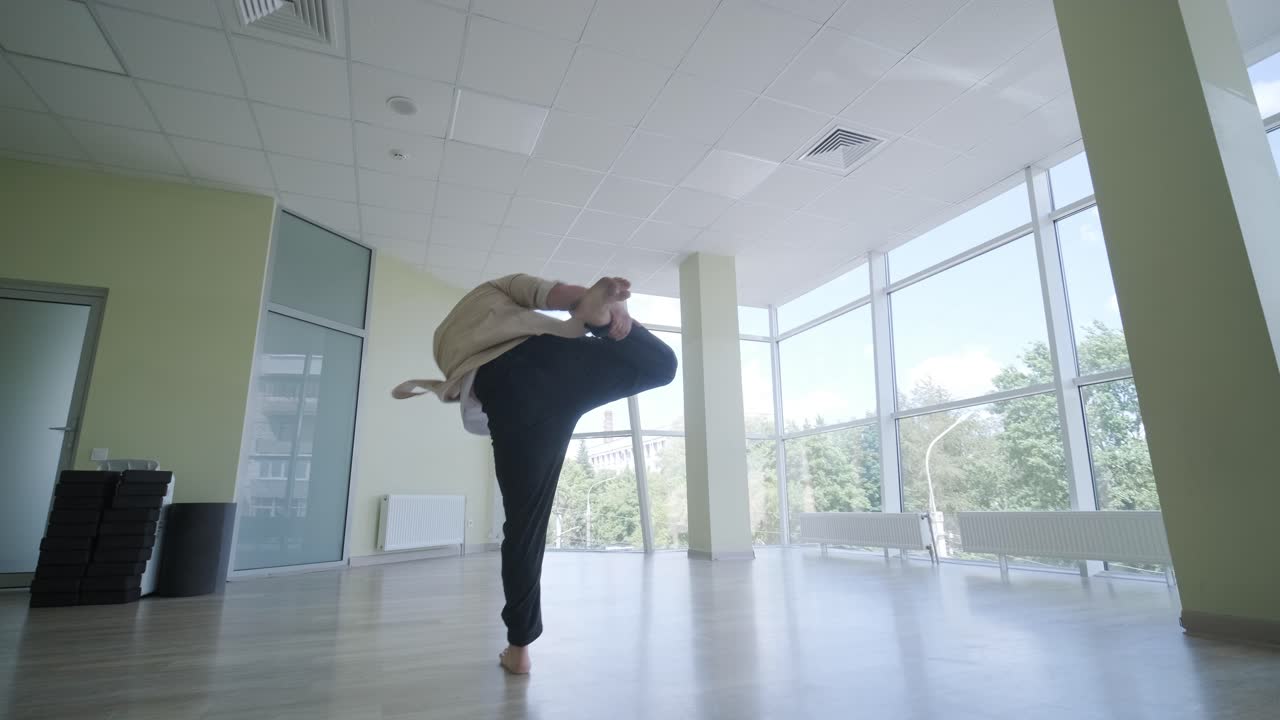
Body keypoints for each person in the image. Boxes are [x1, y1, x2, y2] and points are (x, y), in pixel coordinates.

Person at [392, 274, 677, 675]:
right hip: (554, 359)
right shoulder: (495, 287)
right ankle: (602, 321)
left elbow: (465, 389)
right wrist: (605, 312)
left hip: (508, 394)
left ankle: (519, 649)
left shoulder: (444, 343)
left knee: (525, 528)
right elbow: (564, 297)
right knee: (661, 366)